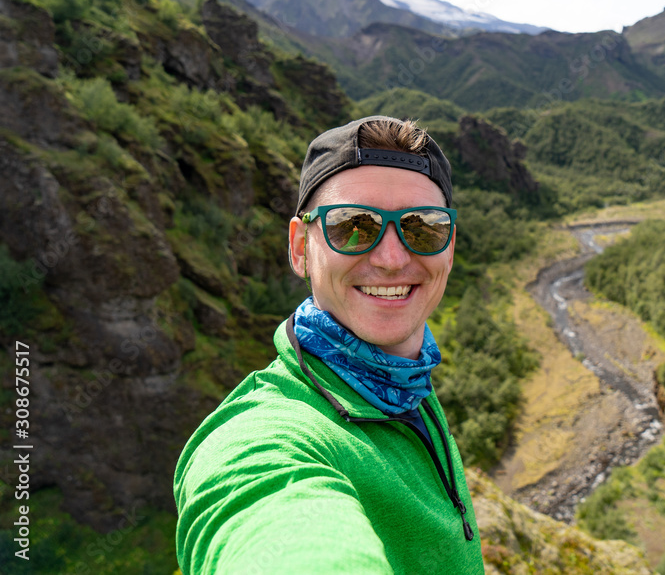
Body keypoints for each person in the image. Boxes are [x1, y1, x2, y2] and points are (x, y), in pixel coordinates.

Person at [173, 116, 485, 574]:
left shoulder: (405, 381)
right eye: (353, 226)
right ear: (300, 248)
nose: (393, 258)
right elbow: (267, 518)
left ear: (449, 247)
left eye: (422, 228)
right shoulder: (265, 438)